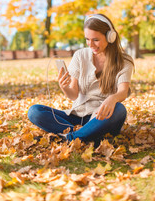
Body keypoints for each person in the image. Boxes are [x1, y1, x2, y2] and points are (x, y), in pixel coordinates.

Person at [28, 14, 134, 147]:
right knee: (35, 111)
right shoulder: (80, 56)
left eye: (96, 40)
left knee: (120, 109)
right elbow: (73, 95)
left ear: (110, 37)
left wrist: (112, 99)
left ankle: (72, 137)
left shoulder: (124, 61)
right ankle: (86, 136)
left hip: (102, 117)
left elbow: (123, 92)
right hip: (77, 116)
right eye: (87, 39)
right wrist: (64, 87)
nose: (91, 44)